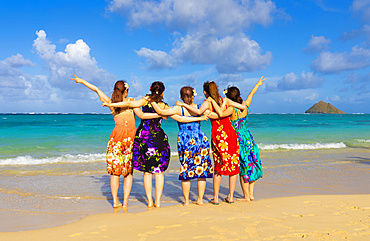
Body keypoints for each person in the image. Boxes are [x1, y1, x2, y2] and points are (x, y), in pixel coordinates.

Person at [71, 74, 159, 208]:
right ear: (125, 91)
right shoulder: (131, 102)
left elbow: (96, 89)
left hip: (116, 139)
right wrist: (161, 114)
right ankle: (125, 203)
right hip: (130, 139)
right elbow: (141, 115)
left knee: (115, 173)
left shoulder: (112, 103)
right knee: (128, 173)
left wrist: (82, 81)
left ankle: (115, 202)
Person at [103, 81, 170, 208]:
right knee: (159, 171)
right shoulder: (164, 106)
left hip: (144, 137)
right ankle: (158, 201)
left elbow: (131, 105)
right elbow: (170, 116)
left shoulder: (144, 101)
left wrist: (111, 104)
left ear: (150, 89)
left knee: (147, 171)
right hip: (159, 136)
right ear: (163, 91)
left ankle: (149, 201)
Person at [176, 81, 240, 205]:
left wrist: (183, 105)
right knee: (233, 165)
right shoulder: (225, 101)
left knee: (218, 166)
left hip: (219, 135)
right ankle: (231, 196)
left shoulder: (207, 103)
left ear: (205, 92)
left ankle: (216, 198)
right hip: (231, 133)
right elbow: (240, 108)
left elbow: (199, 112)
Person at [151, 86, 213, 206]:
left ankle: (186, 201)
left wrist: (153, 101)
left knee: (187, 169)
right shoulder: (199, 108)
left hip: (186, 141)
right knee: (202, 170)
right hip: (200, 139)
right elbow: (212, 115)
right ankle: (200, 199)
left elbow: (161, 112)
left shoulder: (179, 108)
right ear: (193, 96)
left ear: (181, 97)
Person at [208, 76, 265, 202]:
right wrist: (258, 84)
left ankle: (245, 196)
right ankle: (250, 194)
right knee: (252, 164)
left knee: (242, 167)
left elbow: (221, 114)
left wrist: (215, 102)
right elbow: (251, 94)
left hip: (237, 140)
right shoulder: (244, 105)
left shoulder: (231, 109)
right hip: (249, 138)